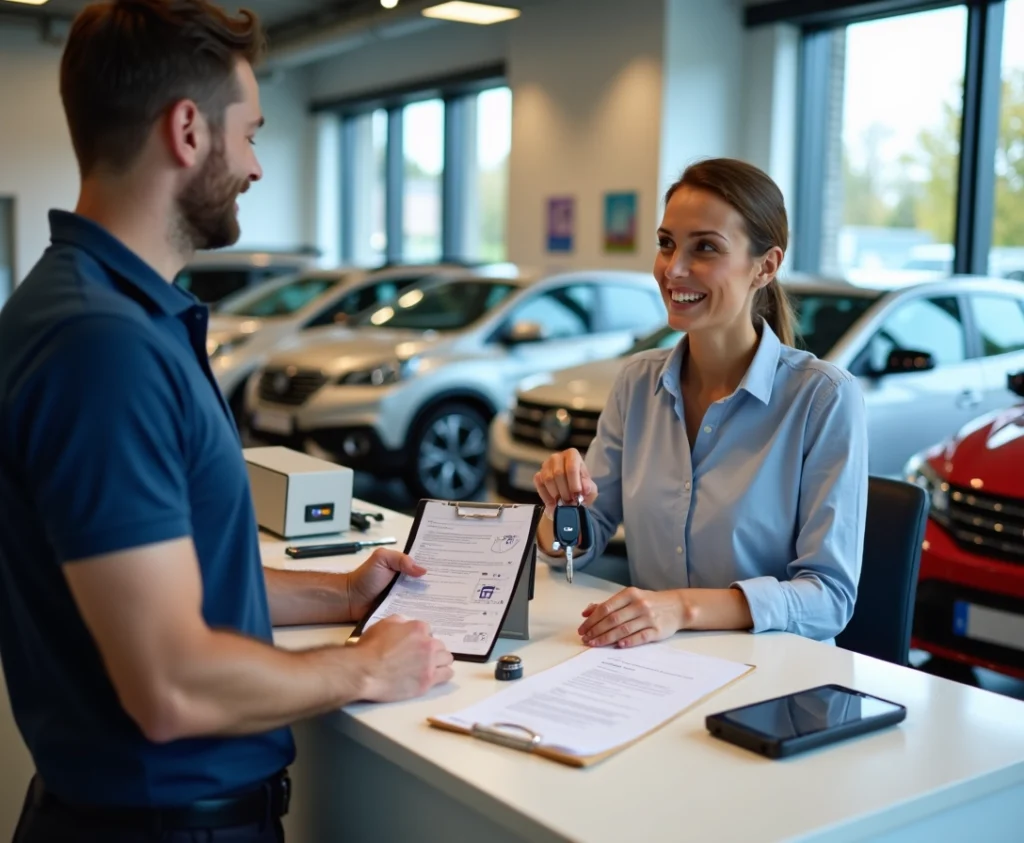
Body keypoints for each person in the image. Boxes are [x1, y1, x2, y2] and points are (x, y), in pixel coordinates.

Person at [0, 2, 452, 841]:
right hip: (160, 827)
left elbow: (178, 572)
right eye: (249, 133)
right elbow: (170, 683)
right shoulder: (101, 345)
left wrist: (343, 594)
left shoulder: (102, 312)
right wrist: (362, 666)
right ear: (187, 131)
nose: (256, 165)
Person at [533, 158, 867, 649]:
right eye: (667, 244)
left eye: (705, 247)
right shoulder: (636, 381)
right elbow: (584, 538)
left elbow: (829, 596)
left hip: (772, 676)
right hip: (651, 660)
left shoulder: (822, 398)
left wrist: (681, 607)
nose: (675, 268)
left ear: (766, 266)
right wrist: (561, 510)